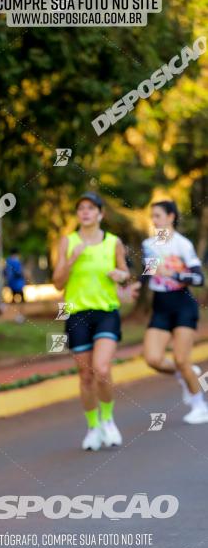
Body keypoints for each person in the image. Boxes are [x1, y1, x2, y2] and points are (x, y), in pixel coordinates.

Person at [52, 191, 130, 451]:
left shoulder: (113, 242)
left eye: (90, 208)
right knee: (85, 375)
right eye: (81, 208)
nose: (85, 212)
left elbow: (125, 273)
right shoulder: (68, 241)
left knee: (102, 369)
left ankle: (108, 420)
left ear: (100, 213)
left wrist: (120, 275)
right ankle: (93, 427)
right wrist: (73, 258)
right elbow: (58, 282)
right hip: (77, 315)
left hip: (106, 312)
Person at [141, 200, 208, 424]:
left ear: (171, 217)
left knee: (181, 358)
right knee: (153, 359)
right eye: (153, 216)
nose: (154, 220)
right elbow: (147, 272)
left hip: (183, 305)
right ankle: (185, 374)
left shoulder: (183, 245)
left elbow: (199, 278)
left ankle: (200, 405)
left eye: (158, 215)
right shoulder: (149, 244)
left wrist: (174, 274)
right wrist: (129, 285)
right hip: (161, 305)